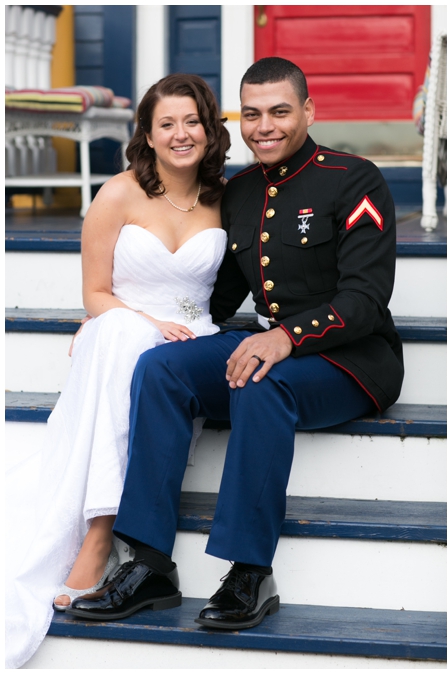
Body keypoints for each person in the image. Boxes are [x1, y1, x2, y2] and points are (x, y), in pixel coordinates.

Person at [65, 57, 403, 631]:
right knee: (163, 368)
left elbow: (366, 300)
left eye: (279, 112)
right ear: (238, 120)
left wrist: (286, 336)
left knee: (259, 384)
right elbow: (212, 299)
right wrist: (112, 317)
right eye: (251, 114)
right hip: (272, 350)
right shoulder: (240, 191)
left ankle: (250, 571)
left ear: (308, 112)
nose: (264, 126)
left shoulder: (353, 178)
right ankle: (149, 564)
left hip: (350, 362)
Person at [6, 73, 230, 669]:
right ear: (148, 135)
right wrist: (132, 321)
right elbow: (96, 294)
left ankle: (107, 533)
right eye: (167, 124)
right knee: (125, 333)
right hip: (125, 330)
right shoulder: (118, 194)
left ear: (209, 130)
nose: (182, 134)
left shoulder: (224, 197)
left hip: (190, 344)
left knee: (157, 357)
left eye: (193, 122)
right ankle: (100, 530)